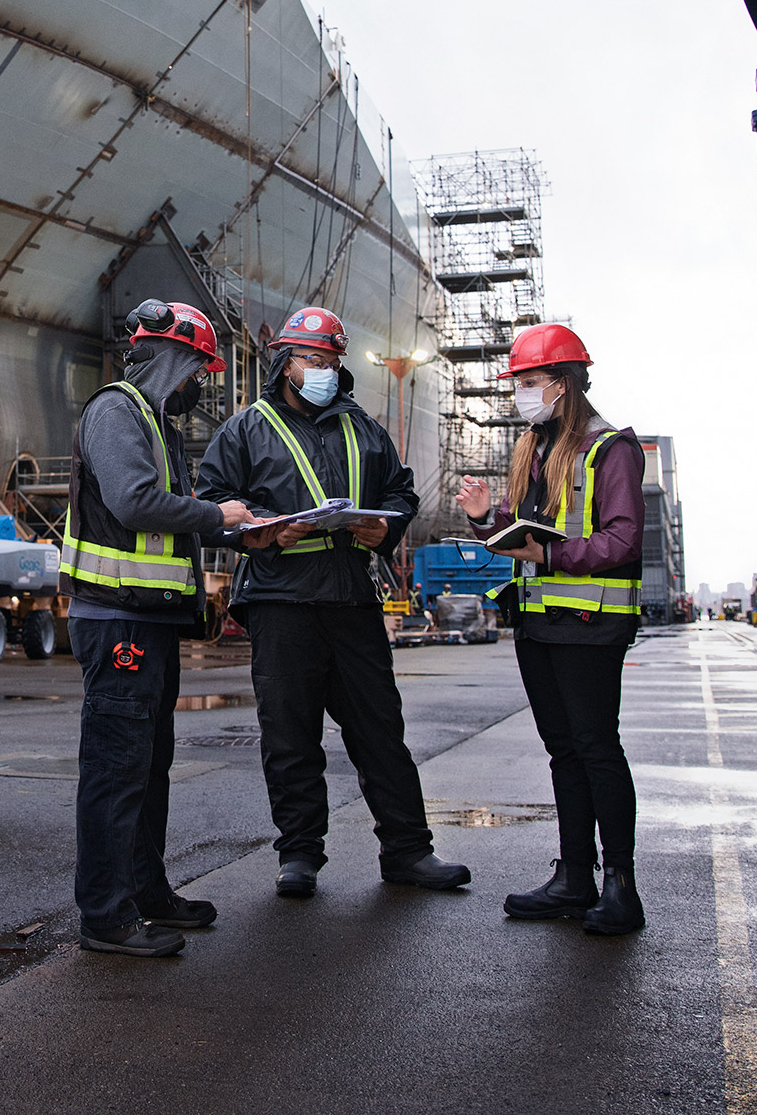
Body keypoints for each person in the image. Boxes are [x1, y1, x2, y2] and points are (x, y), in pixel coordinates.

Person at [196, 306, 470, 899]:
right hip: (279, 598)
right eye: (312, 360)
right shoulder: (245, 430)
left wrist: (387, 527)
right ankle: (298, 855)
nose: (322, 370)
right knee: (290, 734)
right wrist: (263, 529)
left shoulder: (362, 427)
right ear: (284, 363)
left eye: (330, 361)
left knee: (380, 730)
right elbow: (213, 504)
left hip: (350, 597)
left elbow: (400, 489)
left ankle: (408, 852)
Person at [60, 298, 262, 957]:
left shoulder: (148, 419)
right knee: (118, 770)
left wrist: (227, 521)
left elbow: (155, 510)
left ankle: (146, 892)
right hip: (117, 620)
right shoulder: (117, 412)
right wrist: (217, 517)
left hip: (146, 620)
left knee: (145, 768)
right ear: (174, 359)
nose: (196, 385)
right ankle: (106, 916)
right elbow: (134, 501)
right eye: (197, 369)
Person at [456, 322, 646, 935]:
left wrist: (548, 556)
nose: (521, 394)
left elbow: (621, 539)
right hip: (539, 623)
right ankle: (575, 878)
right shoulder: (535, 451)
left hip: (591, 623)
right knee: (564, 751)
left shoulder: (610, 449)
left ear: (563, 384)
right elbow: (531, 535)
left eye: (531, 382)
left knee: (596, 749)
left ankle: (621, 886)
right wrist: (490, 520)